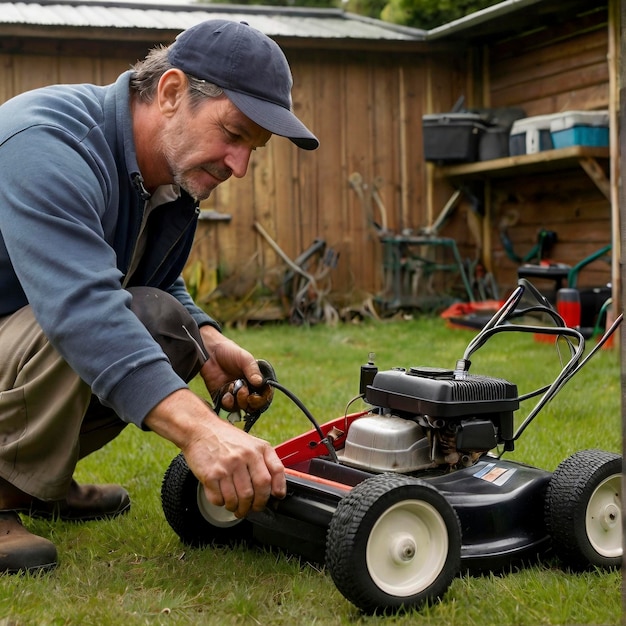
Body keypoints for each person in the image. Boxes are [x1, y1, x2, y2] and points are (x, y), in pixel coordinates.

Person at [0, 19, 319, 573]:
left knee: (167, 322)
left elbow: (152, 280)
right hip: (55, 313)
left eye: (254, 148)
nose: (240, 166)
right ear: (171, 92)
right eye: (234, 133)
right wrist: (201, 430)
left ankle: (32, 481)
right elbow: (81, 305)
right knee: (94, 324)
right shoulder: (45, 143)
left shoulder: (163, 181)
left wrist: (209, 340)